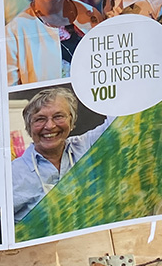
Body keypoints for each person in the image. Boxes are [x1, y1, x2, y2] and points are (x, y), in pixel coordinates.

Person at [10, 87, 111, 221]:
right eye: (40, 119)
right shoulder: (12, 174)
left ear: (72, 120)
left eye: (58, 116)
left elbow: (119, 120)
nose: (50, 126)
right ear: (29, 127)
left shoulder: (87, 146)